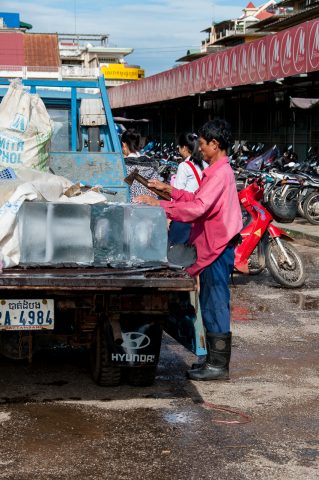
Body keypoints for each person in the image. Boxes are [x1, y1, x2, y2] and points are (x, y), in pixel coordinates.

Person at [135, 119, 243, 382]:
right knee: (208, 302)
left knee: (215, 304)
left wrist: (158, 205)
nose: (200, 149)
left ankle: (218, 366)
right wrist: (168, 190)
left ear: (215, 145)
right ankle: (213, 360)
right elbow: (196, 200)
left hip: (218, 247)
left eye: (203, 144)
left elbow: (198, 209)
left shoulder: (220, 173)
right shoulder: (214, 171)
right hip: (211, 245)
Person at [168, 132, 207, 245]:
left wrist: (170, 216)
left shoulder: (184, 166)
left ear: (184, 147)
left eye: (178, 147)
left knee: (177, 252)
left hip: (186, 214)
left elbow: (177, 193)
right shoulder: (205, 164)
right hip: (201, 213)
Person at [121, 129, 159, 201]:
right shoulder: (151, 164)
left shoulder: (123, 166)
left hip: (131, 207)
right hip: (150, 206)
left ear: (124, 144)